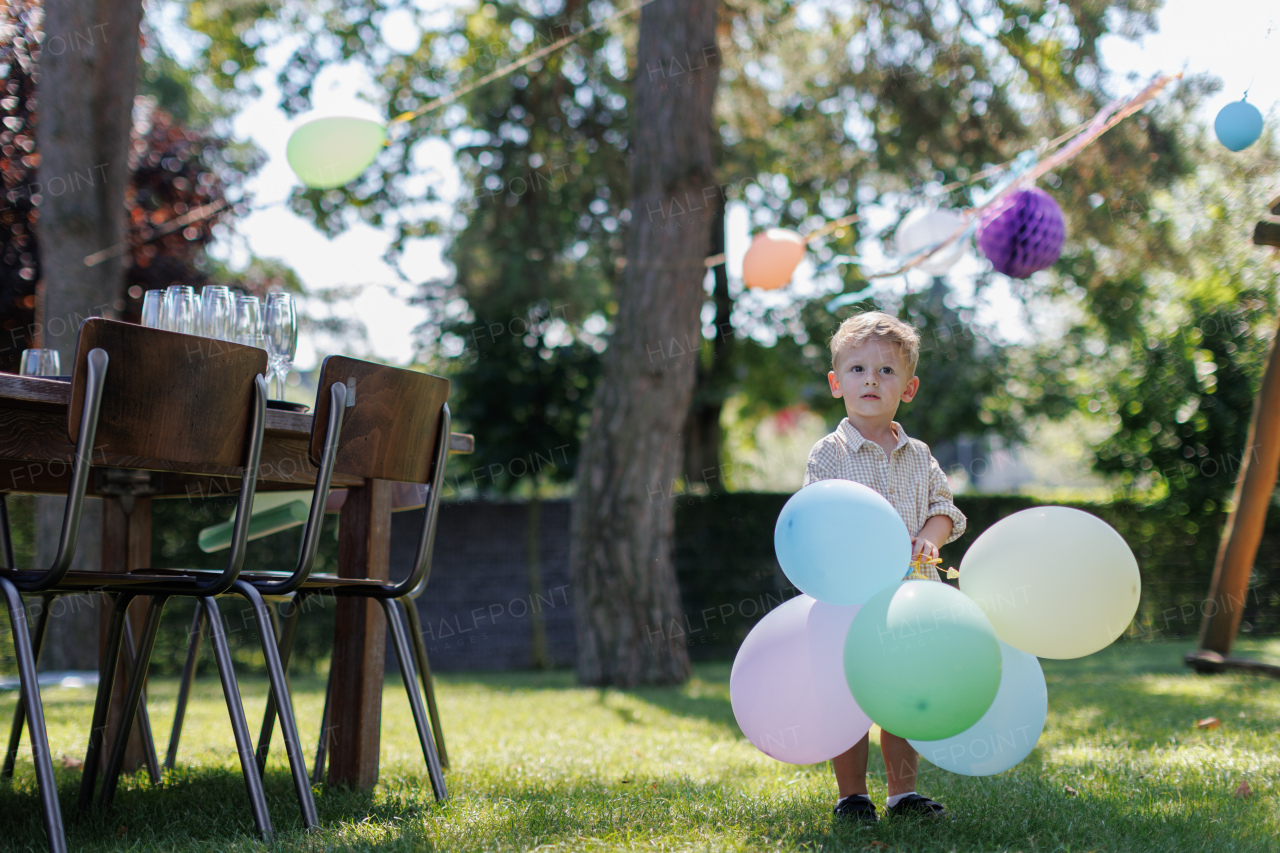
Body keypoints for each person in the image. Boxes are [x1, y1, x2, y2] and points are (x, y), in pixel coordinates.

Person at [803, 311, 967, 823]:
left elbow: (945, 507)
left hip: (912, 597)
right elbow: (816, 518)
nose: (870, 380)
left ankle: (903, 794)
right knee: (850, 695)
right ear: (836, 383)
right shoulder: (828, 454)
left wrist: (928, 538)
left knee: (903, 695)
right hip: (849, 598)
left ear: (909, 387)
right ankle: (852, 795)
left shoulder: (918, 455)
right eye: (856, 370)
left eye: (886, 371)